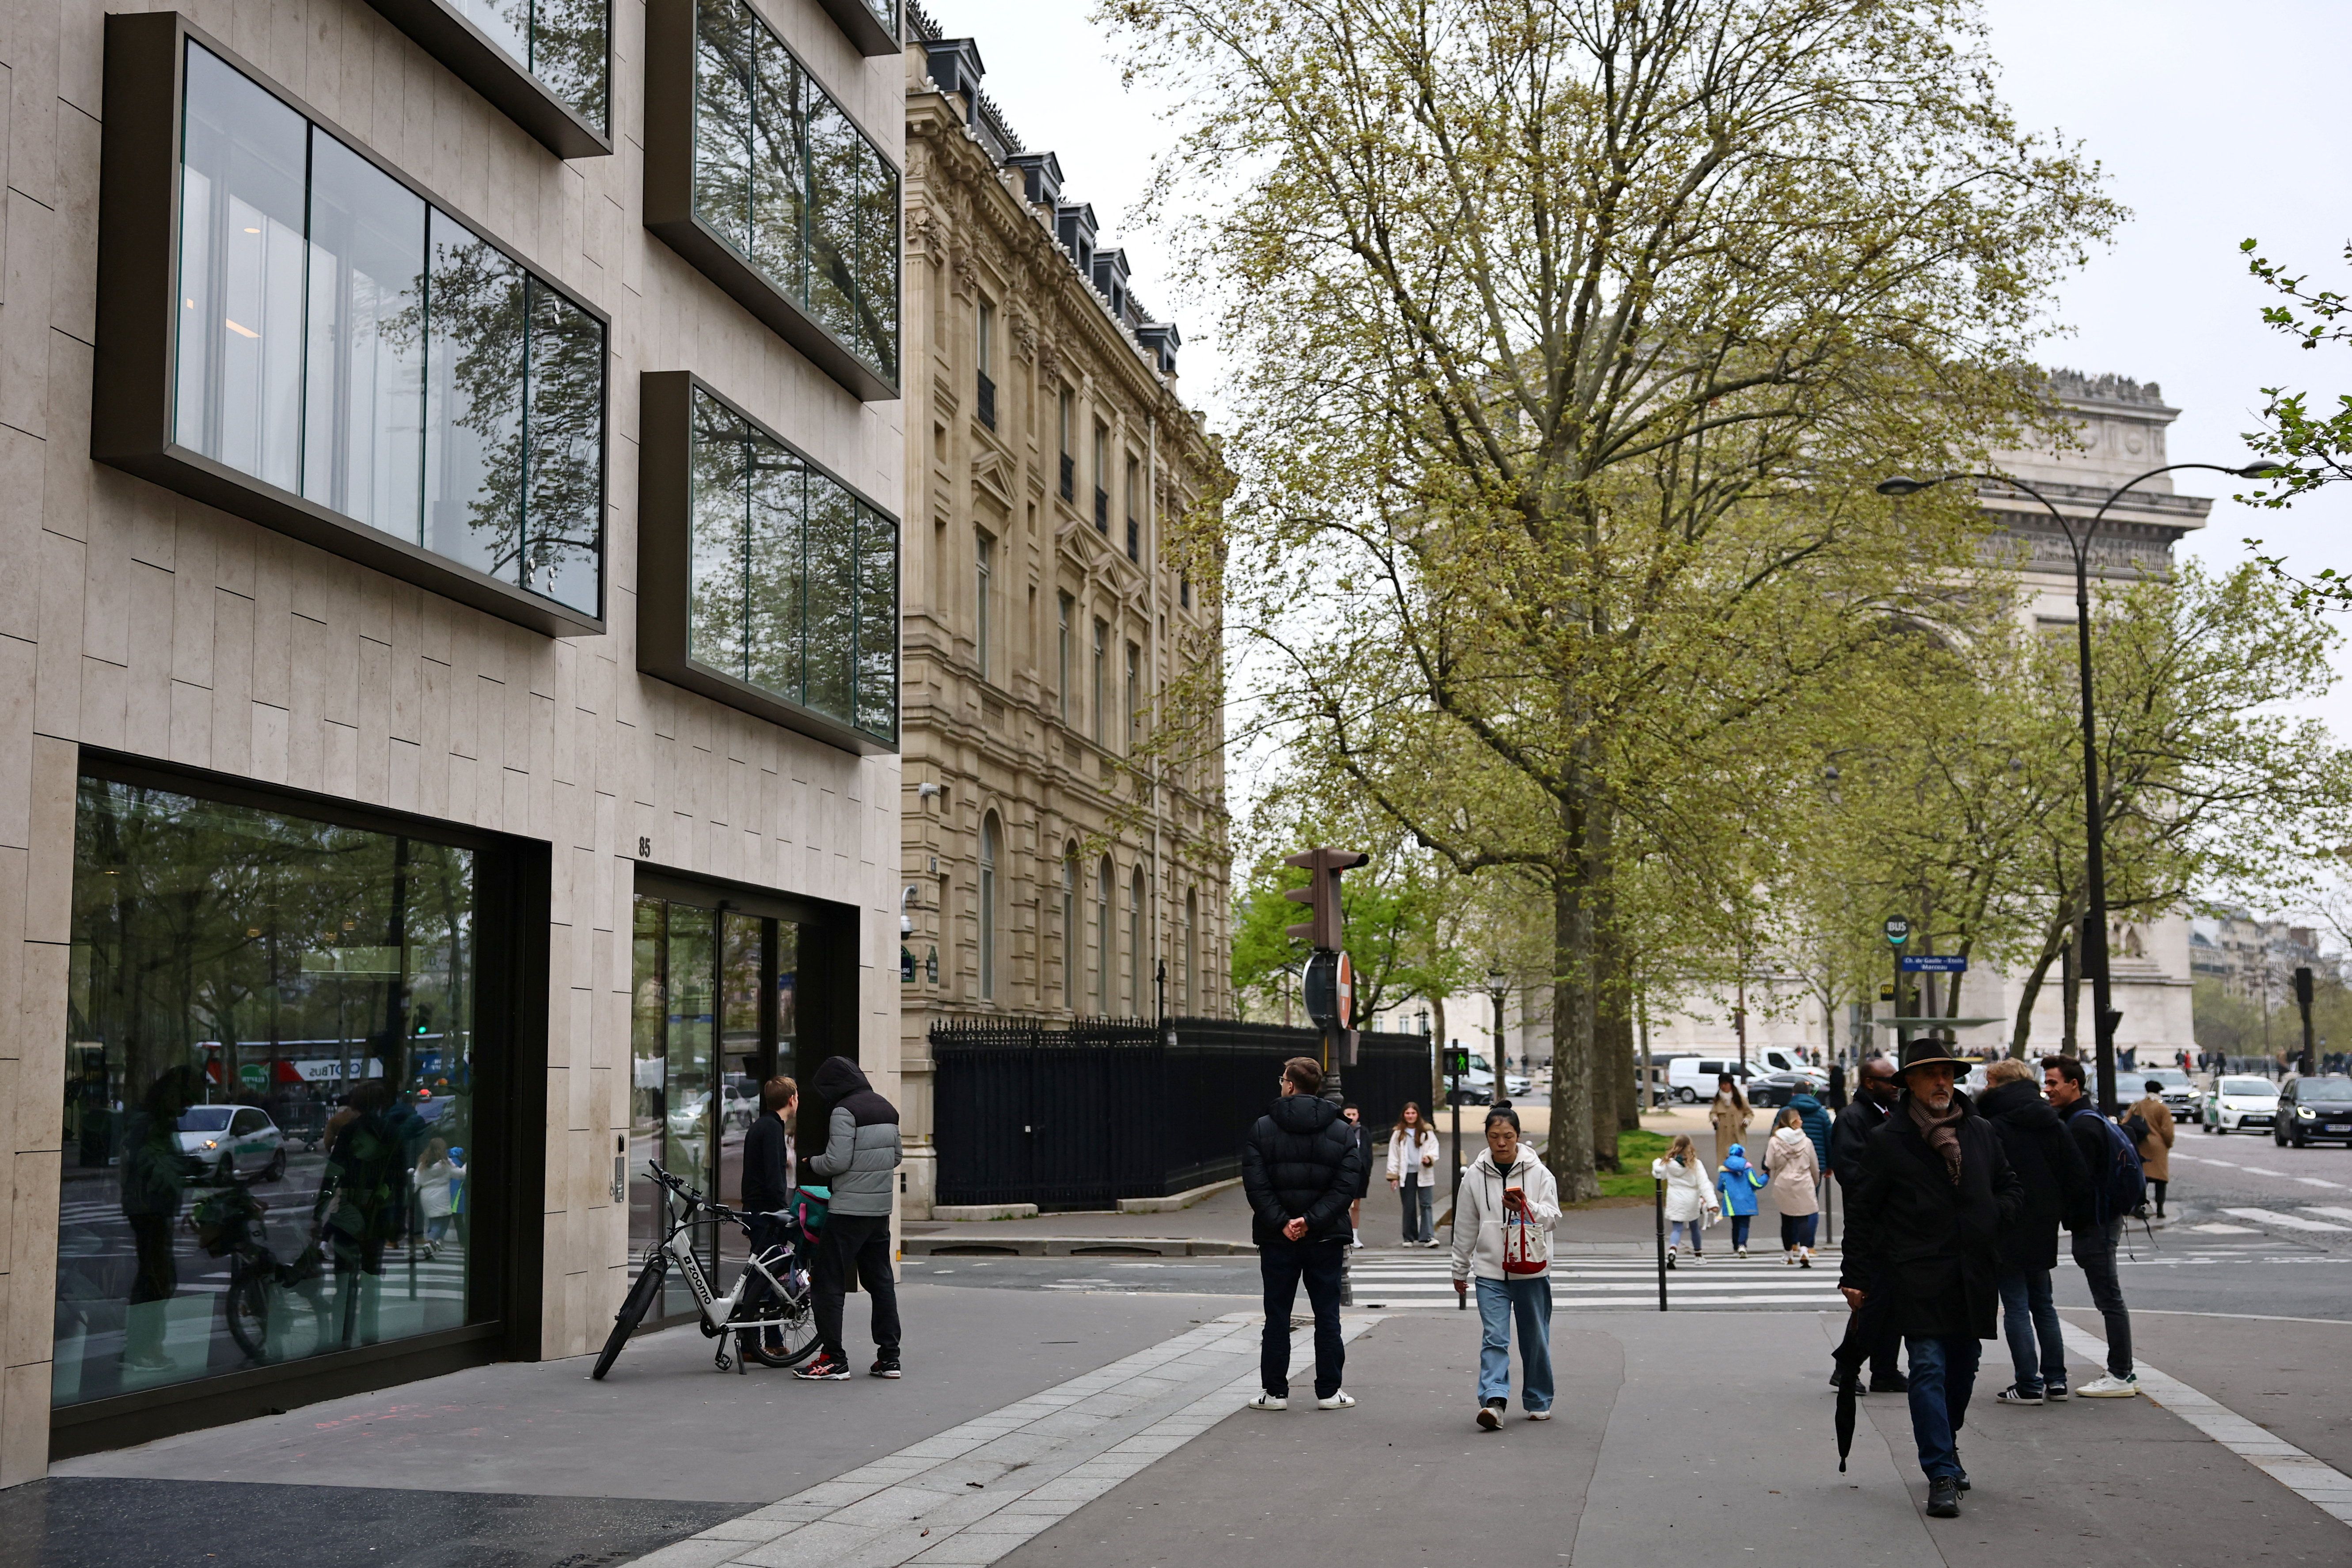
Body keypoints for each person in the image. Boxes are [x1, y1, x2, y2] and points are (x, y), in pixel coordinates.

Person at [1839, 1038, 2024, 1520]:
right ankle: (1939, 1472)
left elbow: (2010, 1186)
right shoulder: (1888, 1139)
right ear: (1910, 1084)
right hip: (1915, 1271)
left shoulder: (1980, 1131)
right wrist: (1854, 1275)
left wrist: (1991, 1215)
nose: (1941, 1082)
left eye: (1947, 1073)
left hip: (1973, 1271)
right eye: (1929, 1074)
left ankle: (1948, 1443)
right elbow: (1862, 1211)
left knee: (1963, 1369)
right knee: (1926, 1366)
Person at [1241, 1056, 1363, 1412]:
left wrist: (1283, 1221)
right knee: (1327, 1314)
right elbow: (1345, 1188)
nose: (1281, 1083)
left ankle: (1275, 1392)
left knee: (1277, 1314)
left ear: (1291, 1085)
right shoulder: (1341, 1130)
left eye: (1283, 1078)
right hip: (1324, 1237)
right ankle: (1328, 1391)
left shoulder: (1262, 1128)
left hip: (1277, 1237)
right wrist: (1310, 1220)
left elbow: (1256, 1184)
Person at [1976, 1057, 2087, 1405]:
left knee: (2015, 1305)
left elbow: (1983, 1177)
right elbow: (2075, 1172)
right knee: (2043, 1303)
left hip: (2007, 1219)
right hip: (2042, 1222)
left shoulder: (1991, 1123)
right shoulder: (2048, 1119)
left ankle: (2027, 1382)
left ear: (1995, 1081)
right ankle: (2055, 1379)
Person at [1450, 1107, 1561, 1429]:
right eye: (1494, 1137)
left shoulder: (1540, 1173)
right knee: (1494, 1337)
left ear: (1518, 1136)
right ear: (1486, 1137)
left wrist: (1527, 1206)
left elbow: (1553, 1218)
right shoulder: (1473, 1175)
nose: (1501, 1143)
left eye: (1508, 1137)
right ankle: (1494, 1401)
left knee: (1534, 1338)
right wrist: (1460, 1268)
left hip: (1532, 1269)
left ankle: (1539, 1398)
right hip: (1490, 1271)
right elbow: (1465, 1225)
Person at [798, 1056, 904, 1382]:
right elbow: (896, 1156)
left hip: (847, 1211)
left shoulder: (845, 1111)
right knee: (881, 1282)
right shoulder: (886, 1108)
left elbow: (837, 1161)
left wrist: (811, 1162)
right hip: (879, 1212)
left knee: (828, 1282)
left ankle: (833, 1358)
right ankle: (889, 1358)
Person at [2043, 1055, 2138, 1397]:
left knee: (2108, 1298)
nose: (2047, 1088)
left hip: (2095, 1221)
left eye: (2053, 1082)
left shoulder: (2080, 1126)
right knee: (2108, 1297)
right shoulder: (2085, 1117)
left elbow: (2076, 1180)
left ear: (2073, 1084)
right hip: (2100, 1219)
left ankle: (2120, 1373)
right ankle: (2121, 1370)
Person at [1830, 1052, 1907, 1393]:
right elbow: (1852, 1172)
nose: (1895, 1085)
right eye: (1888, 1080)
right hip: (1871, 1224)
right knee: (1874, 1300)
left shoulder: (1891, 1114)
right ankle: (1847, 1364)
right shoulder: (1852, 1118)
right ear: (1868, 1083)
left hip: (1894, 1223)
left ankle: (1885, 1370)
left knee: (1893, 1299)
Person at [740, 1074, 798, 1358]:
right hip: (767, 1212)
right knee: (766, 1277)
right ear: (792, 1100)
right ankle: (753, 1342)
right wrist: (783, 1212)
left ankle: (762, 1340)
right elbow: (774, 1177)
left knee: (765, 1275)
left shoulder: (762, 1125)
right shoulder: (774, 1128)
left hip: (756, 1209)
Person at [1764, 1107, 1822, 1266]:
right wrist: (1815, 1182)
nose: (1802, 1121)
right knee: (1804, 1218)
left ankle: (1788, 1254)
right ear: (1793, 1122)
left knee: (1787, 1219)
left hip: (1784, 1182)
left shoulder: (1775, 1141)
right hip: (1803, 1182)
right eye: (1799, 1119)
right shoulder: (1806, 1141)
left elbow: (1769, 1163)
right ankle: (1804, 1249)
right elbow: (1814, 1166)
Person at [1651, 1134, 1715, 1265]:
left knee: (1677, 1228)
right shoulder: (1695, 1163)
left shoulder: (1668, 1163)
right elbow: (1704, 1184)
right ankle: (1698, 1256)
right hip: (1691, 1198)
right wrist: (1712, 1203)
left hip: (1675, 1197)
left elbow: (1660, 1175)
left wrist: (1658, 1164)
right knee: (1694, 1227)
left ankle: (1673, 1250)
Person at [1387, 1102, 1440, 1246]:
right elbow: (1394, 1156)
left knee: (1426, 1204)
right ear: (1404, 1115)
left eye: (1413, 1113)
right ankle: (1409, 1237)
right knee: (1409, 1205)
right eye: (1408, 1113)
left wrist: (1429, 1158)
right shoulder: (1398, 1133)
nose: (1410, 1116)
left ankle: (1428, 1236)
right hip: (1407, 1173)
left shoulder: (1427, 1132)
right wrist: (1394, 1176)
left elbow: (1434, 1149)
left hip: (1424, 1172)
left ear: (1418, 1115)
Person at [2125, 1079, 2176, 1220]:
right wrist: (2168, 1144)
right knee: (2161, 1180)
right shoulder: (2162, 1108)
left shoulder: (2137, 1106)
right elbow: (2168, 1131)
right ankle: (2160, 1210)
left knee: (2142, 1179)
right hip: (2158, 1146)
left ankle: (2140, 1208)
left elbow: (2125, 1123)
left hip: (2141, 1145)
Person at [412, 1138, 465, 1259]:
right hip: (441, 1196)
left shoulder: (423, 1164)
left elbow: (416, 1181)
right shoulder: (445, 1164)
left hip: (426, 1197)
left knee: (433, 1220)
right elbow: (460, 1174)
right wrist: (467, 1165)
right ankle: (431, 1241)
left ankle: (433, 1245)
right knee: (441, 1222)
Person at [1715, 1142, 1763, 1257]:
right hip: (1747, 1202)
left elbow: (1720, 1187)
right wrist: (1766, 1177)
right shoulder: (1748, 1169)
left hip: (1732, 1202)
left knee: (1735, 1224)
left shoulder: (1724, 1171)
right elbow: (1756, 1183)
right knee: (1744, 1224)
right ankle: (1742, 1245)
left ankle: (1735, 1245)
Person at [1342, 1103, 1372, 1249]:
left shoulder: (1364, 1131)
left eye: (1354, 1115)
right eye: (1349, 1115)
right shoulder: (1340, 1130)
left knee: (1356, 1205)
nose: (1352, 1118)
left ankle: (1354, 1234)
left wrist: (1367, 1169)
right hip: (1344, 1172)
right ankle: (1344, 1233)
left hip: (1359, 1173)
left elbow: (1368, 1152)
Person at [1709, 1074, 1751, 1168]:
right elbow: (1712, 1113)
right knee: (1724, 1163)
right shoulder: (1718, 1099)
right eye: (1721, 1084)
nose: (1723, 1087)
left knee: (1740, 1162)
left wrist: (1747, 1120)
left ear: (1730, 1084)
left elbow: (1749, 1113)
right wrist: (1714, 1118)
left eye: (1726, 1084)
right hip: (1723, 1137)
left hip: (1738, 1135)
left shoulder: (1739, 1098)